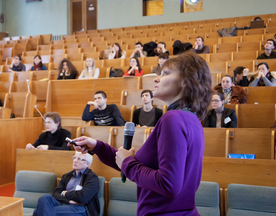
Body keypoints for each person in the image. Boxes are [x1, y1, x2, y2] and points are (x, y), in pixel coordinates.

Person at [72, 52, 212, 215]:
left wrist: (128, 163)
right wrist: (97, 146)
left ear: (186, 82)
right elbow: (141, 166)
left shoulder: (172, 119)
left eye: (165, 73)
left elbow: (168, 184)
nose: (156, 78)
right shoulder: (191, 119)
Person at [32, 152, 100, 216]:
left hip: (81, 208)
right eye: (74, 157)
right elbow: (56, 194)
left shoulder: (92, 177)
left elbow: (83, 198)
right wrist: (69, 201)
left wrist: (65, 193)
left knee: (39, 211)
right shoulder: (67, 176)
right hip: (64, 204)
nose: (75, 161)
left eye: (79, 159)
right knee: (45, 198)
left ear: (87, 164)